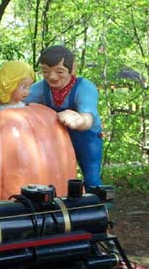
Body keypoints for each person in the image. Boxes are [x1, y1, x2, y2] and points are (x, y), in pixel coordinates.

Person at [24, 45, 103, 190]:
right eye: (46, 71)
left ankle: (100, 206)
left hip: (87, 138)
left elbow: (88, 118)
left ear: (72, 69)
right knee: (57, 175)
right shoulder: (41, 88)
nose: (52, 77)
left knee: (91, 178)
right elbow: (17, 99)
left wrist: (80, 120)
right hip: (57, 138)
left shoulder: (85, 87)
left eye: (59, 71)